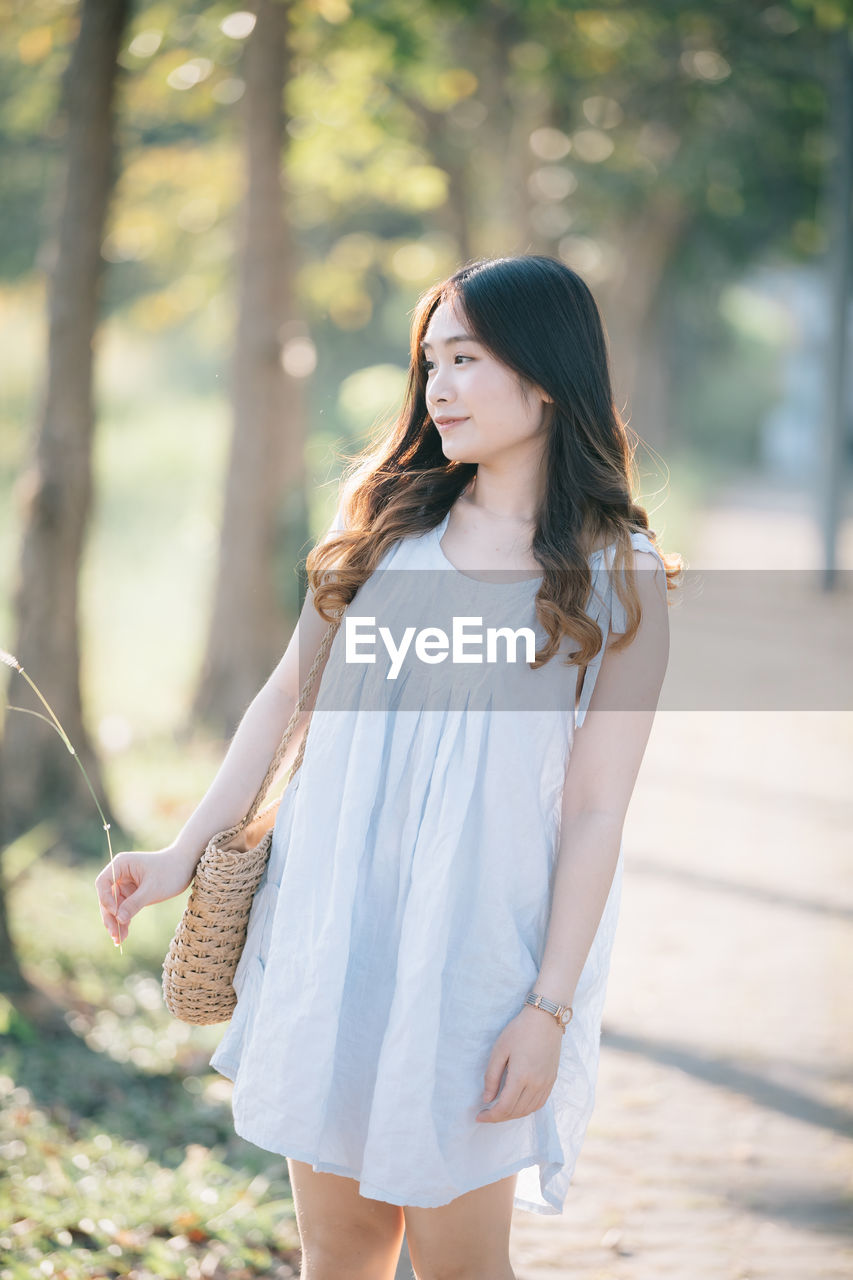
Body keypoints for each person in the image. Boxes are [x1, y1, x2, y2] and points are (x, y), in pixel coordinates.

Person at [96, 254, 680, 1280]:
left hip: (477, 956)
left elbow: (594, 811)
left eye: (464, 358)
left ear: (544, 377)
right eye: (429, 362)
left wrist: (546, 1008)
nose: (436, 387)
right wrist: (183, 850)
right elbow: (287, 698)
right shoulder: (385, 520)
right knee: (341, 1251)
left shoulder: (615, 572)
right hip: (334, 927)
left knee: (462, 1263)